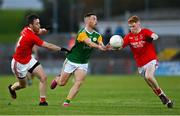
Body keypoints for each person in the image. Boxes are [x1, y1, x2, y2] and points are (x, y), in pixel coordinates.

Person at [8, 14, 70, 106]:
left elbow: (39, 31)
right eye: (37, 24)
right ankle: (12, 88)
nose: (39, 25)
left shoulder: (27, 29)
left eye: (39, 23)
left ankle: (42, 101)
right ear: (31, 25)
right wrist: (62, 49)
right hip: (18, 64)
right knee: (23, 85)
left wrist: (45, 30)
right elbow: (48, 46)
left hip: (28, 59)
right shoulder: (31, 36)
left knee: (43, 77)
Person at [116, 15, 173, 108]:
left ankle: (161, 95)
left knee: (149, 76)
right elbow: (120, 46)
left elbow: (155, 35)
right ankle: (165, 99)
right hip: (140, 65)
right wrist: (111, 46)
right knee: (150, 84)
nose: (131, 28)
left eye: (133, 26)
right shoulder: (129, 37)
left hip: (151, 60)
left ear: (138, 24)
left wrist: (152, 37)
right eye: (130, 27)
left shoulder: (145, 32)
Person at [50, 12, 106, 107]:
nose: (96, 21)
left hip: (83, 63)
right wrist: (98, 46)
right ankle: (57, 79)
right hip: (72, 60)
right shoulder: (81, 33)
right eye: (94, 19)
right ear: (87, 21)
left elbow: (100, 43)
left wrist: (104, 47)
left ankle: (66, 102)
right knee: (62, 83)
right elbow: (89, 43)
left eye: (96, 19)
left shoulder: (97, 35)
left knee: (79, 82)